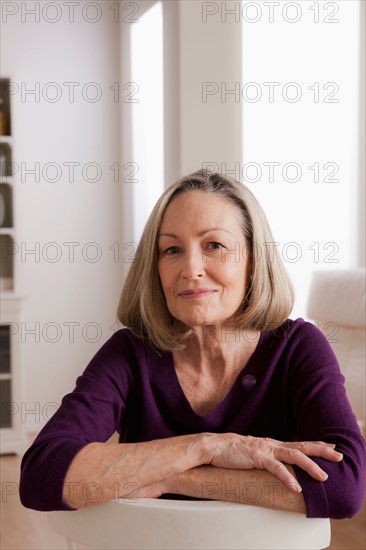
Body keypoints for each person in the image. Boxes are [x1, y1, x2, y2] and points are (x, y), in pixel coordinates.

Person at [20, 169, 365, 518]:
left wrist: (177, 478)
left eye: (214, 245)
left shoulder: (297, 348)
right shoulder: (130, 352)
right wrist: (207, 446)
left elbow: (342, 487)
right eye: (172, 249)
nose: (191, 268)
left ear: (253, 259)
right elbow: (42, 474)